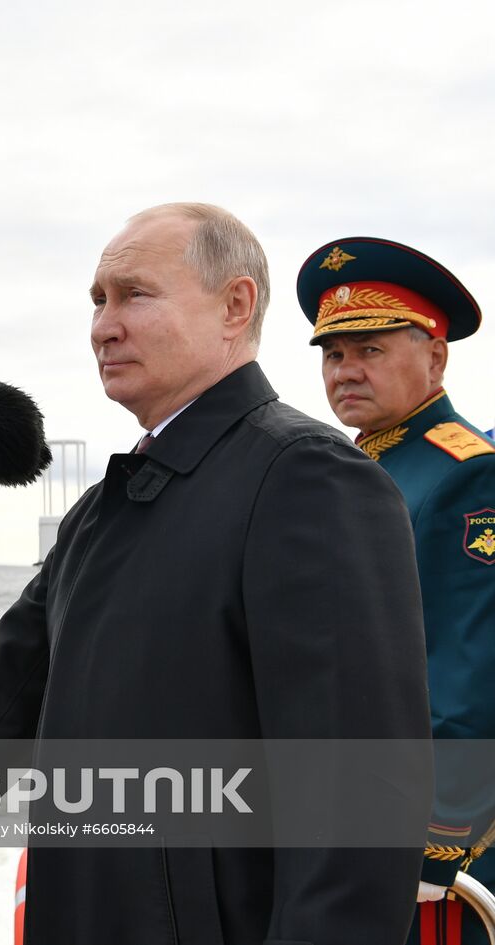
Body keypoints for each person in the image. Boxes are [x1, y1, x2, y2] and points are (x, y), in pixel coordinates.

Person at [0, 203, 433, 945]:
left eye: (134, 294)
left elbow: (361, 794)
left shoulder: (305, 477)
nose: (103, 326)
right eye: (97, 300)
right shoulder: (105, 511)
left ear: (234, 306)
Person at [298, 236, 495, 944]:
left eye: (371, 349)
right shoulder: (359, 470)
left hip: (430, 849)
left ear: (436, 356)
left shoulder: (467, 475)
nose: (346, 370)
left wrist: (437, 844)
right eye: (333, 354)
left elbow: (469, 673)